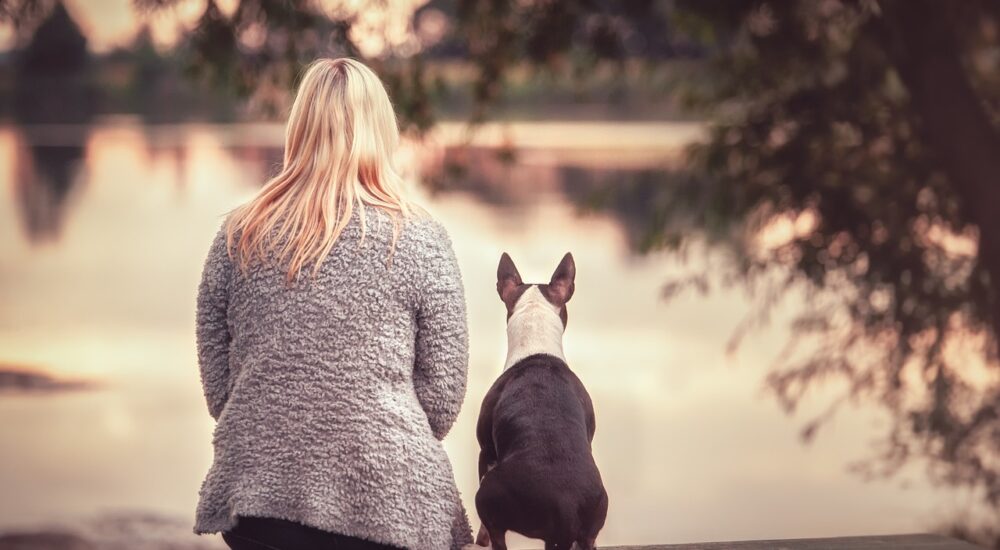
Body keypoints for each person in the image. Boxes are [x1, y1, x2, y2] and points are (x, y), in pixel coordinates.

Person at [192, 57, 473, 550]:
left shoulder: (238, 235)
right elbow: (443, 395)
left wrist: (276, 423)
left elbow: (220, 389)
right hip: (390, 506)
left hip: (257, 505)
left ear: (299, 130)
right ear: (381, 130)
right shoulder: (422, 238)